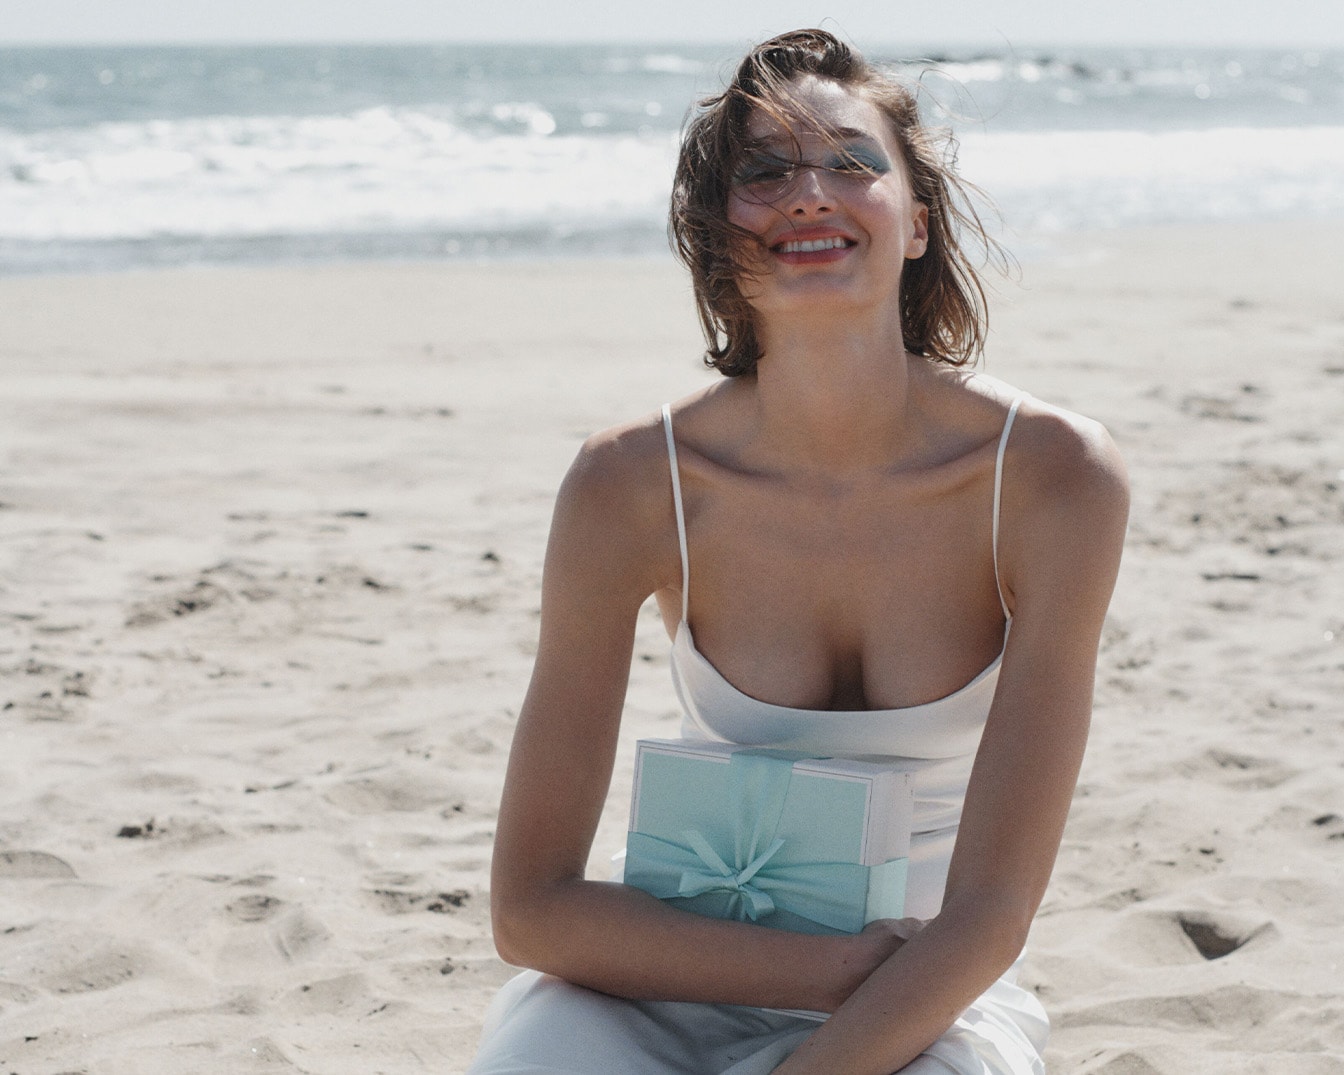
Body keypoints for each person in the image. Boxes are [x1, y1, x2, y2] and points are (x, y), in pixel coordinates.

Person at [469, 28, 1128, 1075]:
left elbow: (992, 912)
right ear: (716, 237)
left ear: (915, 222)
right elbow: (531, 908)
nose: (810, 192)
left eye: (854, 162)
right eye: (765, 172)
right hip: (673, 977)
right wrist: (817, 972)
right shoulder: (632, 484)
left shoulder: (1052, 478)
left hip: (924, 995)